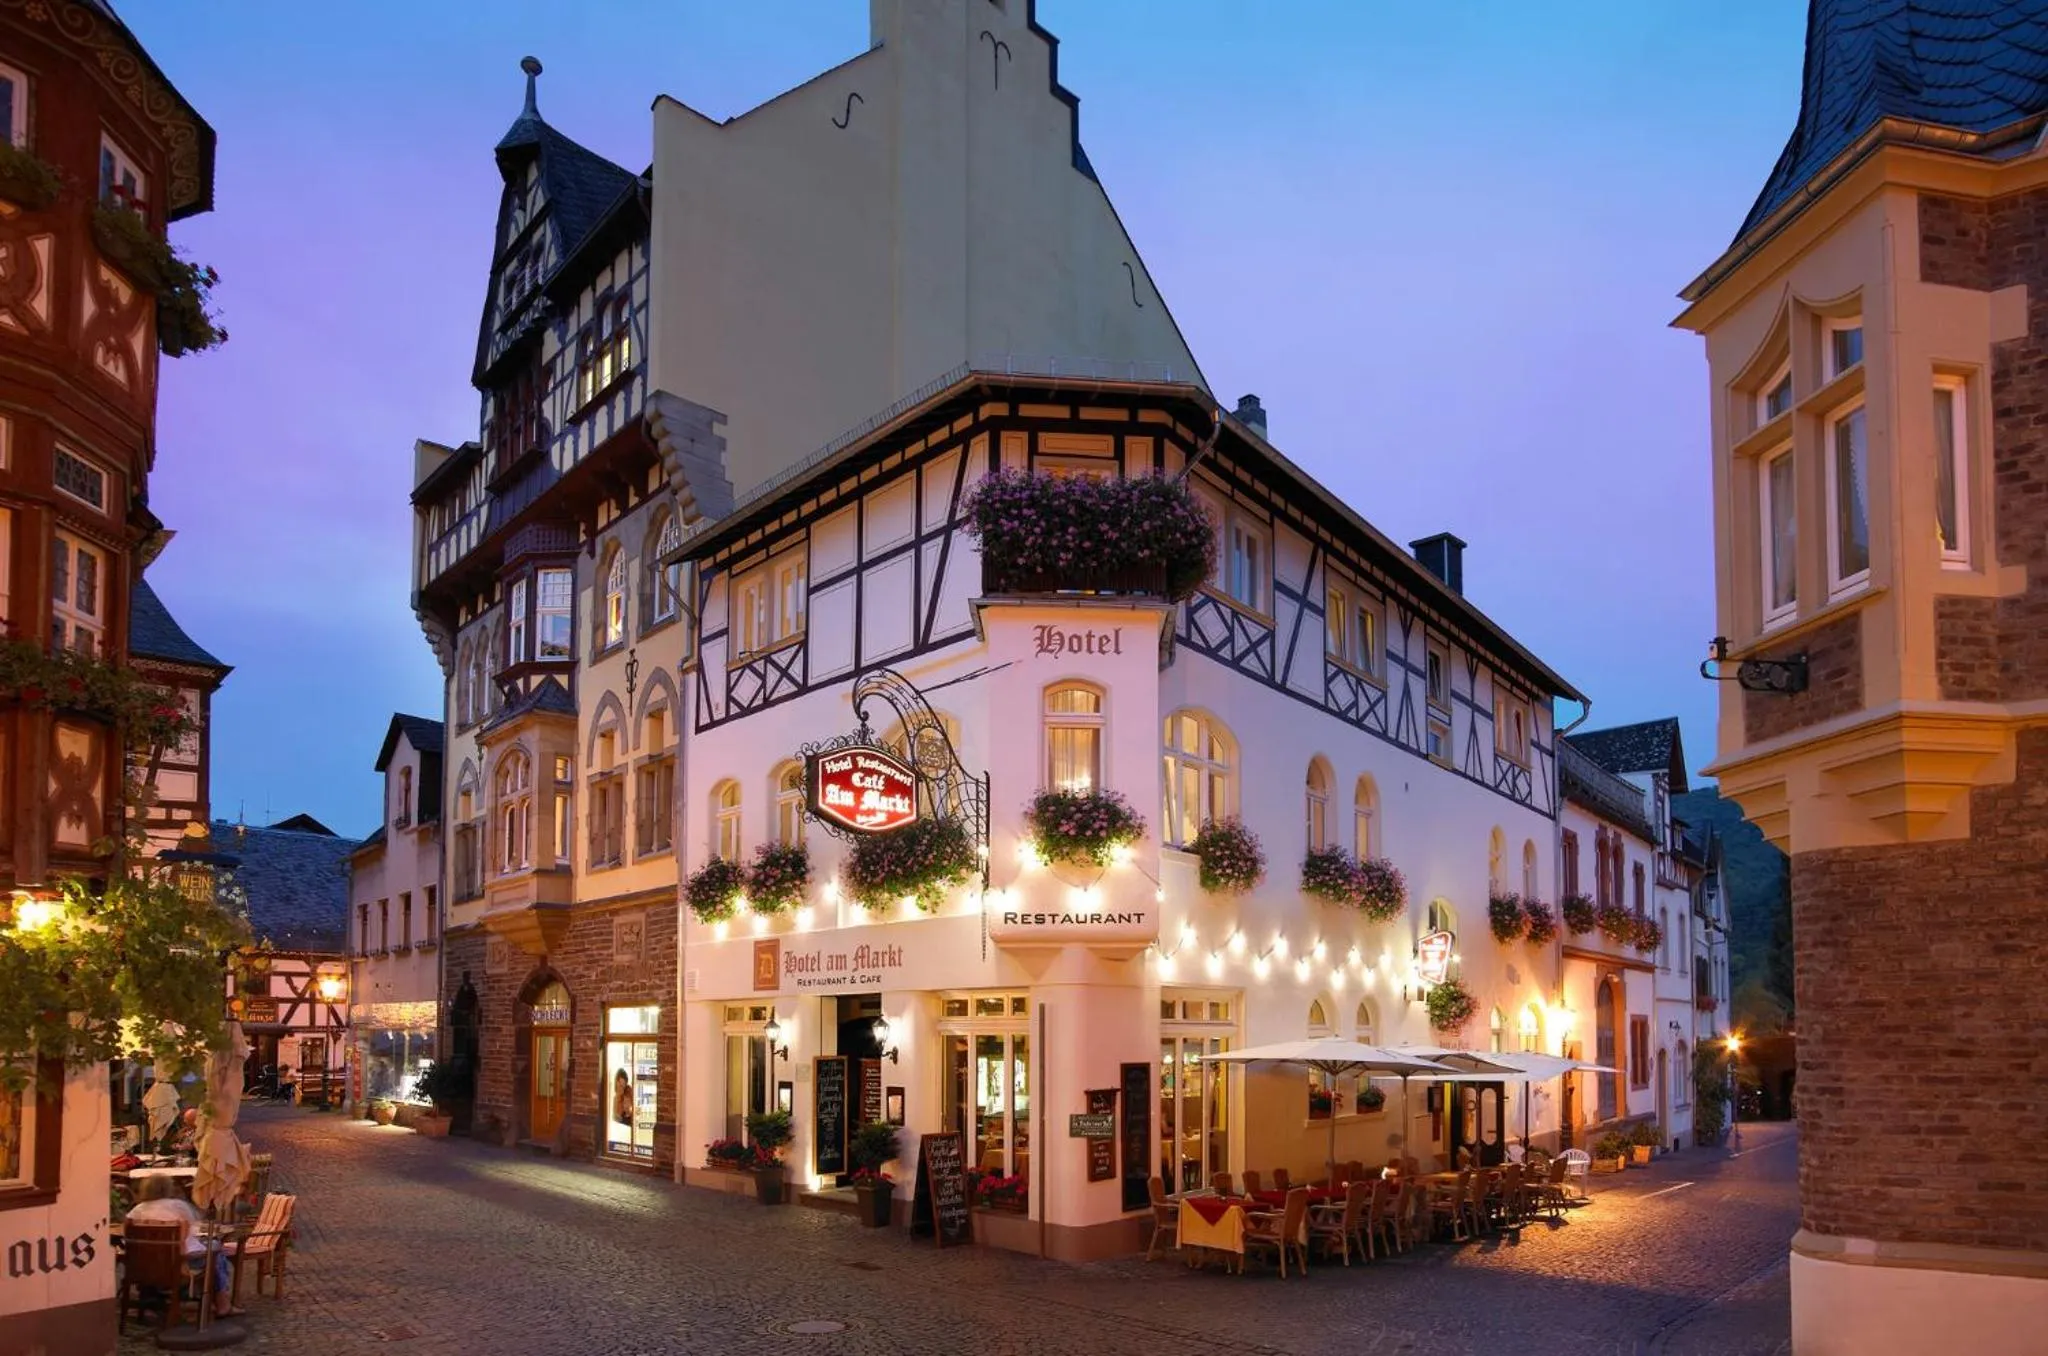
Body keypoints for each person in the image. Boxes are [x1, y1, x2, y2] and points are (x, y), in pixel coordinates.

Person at [125, 1177, 240, 1316]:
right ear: (168, 1188)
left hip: (145, 1266)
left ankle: (154, 1296)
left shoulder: (136, 1210)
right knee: (215, 1250)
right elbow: (192, 1225)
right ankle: (222, 1302)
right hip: (179, 1264)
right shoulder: (178, 1206)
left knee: (212, 1250)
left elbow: (126, 1232)